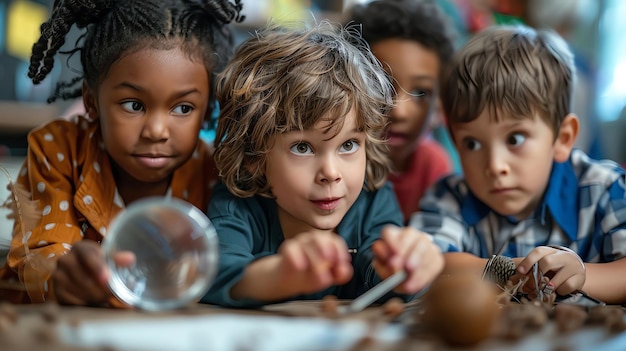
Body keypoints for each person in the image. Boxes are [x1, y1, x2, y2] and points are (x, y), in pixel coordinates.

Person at [0, 0, 244, 306]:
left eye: (183, 108)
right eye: (133, 105)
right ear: (91, 101)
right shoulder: (59, 150)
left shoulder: (215, 172)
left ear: (207, 110)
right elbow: (41, 255)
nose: (156, 130)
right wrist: (64, 273)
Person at [201, 22, 444, 308]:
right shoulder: (238, 204)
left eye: (348, 145)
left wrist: (404, 267)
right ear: (254, 156)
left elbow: (379, 275)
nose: (331, 173)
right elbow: (212, 274)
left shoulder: (373, 199)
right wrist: (281, 274)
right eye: (302, 148)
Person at [409, 25, 626, 305]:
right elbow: (430, 265)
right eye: (472, 144)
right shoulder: (448, 198)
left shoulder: (605, 188)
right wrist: (509, 271)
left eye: (515, 138)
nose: (495, 166)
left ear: (562, 137)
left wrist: (583, 275)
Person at [345, 0, 458, 223]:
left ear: (439, 106)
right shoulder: (333, 165)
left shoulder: (433, 165)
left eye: (420, 93)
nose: (400, 111)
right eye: (380, 85)